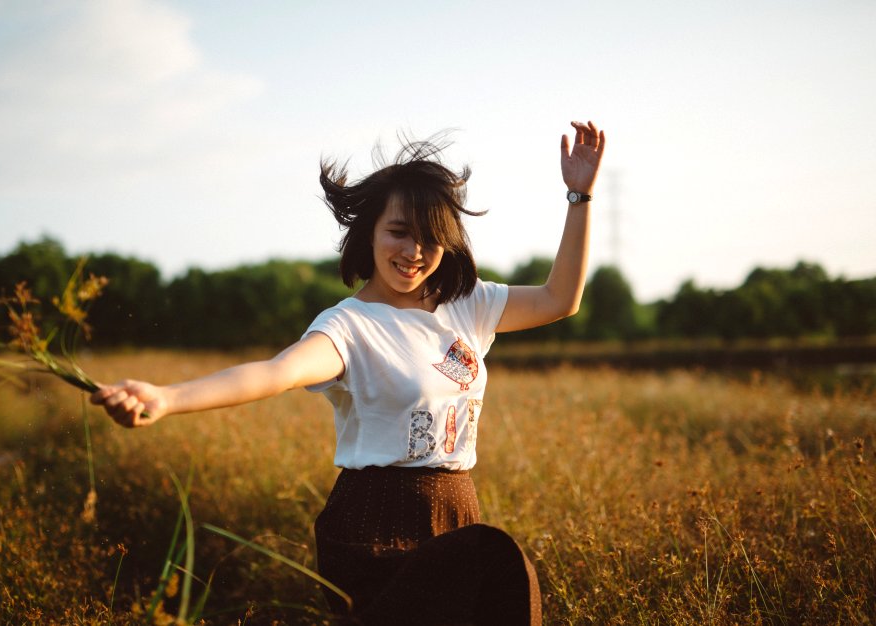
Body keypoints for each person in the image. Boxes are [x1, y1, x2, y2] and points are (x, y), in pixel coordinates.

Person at [92, 121, 605, 625]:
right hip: (374, 522)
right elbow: (275, 373)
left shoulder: (468, 304)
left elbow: (560, 299)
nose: (413, 252)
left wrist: (579, 199)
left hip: (455, 510)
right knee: (495, 564)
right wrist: (166, 397)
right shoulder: (350, 325)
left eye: (430, 239)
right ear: (371, 232)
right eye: (398, 232)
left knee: (502, 578)